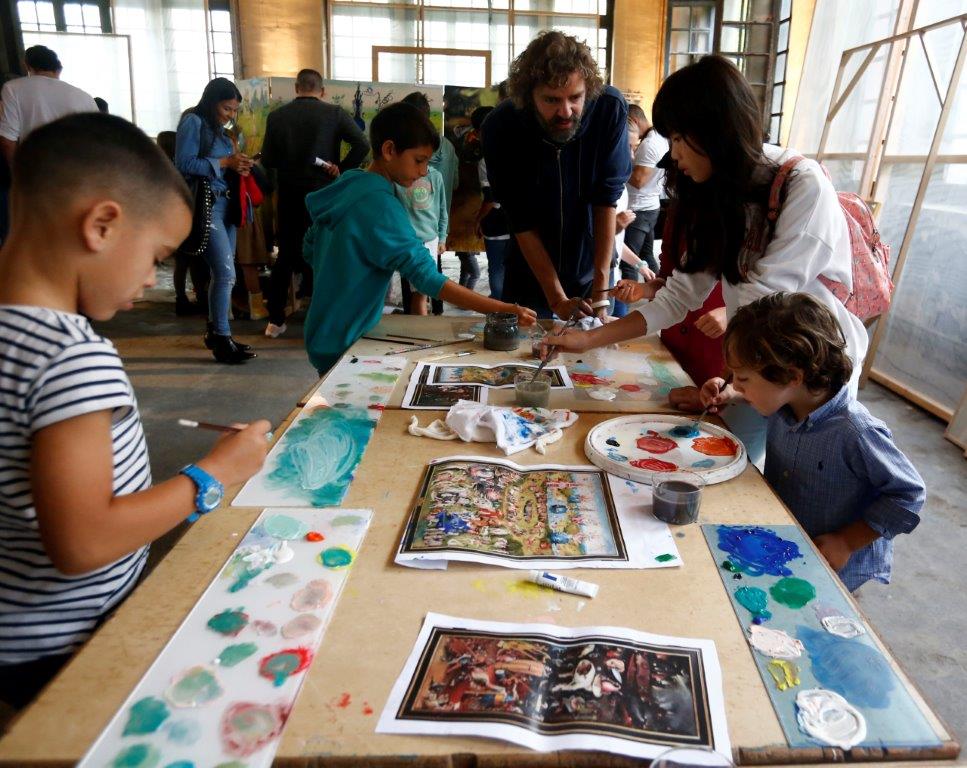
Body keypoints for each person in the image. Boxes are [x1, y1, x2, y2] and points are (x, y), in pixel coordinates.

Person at [0, 113, 271, 708]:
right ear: (101, 224)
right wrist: (213, 474)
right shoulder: (71, 355)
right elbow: (83, 541)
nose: (151, 281)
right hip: (66, 642)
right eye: (156, 256)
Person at [549, 55, 868, 395]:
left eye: (678, 138)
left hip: (815, 378)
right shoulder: (718, 192)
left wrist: (731, 386)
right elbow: (678, 297)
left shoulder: (802, 185)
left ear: (714, 130)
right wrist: (587, 339)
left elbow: (761, 306)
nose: (673, 155)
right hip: (761, 369)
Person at [700, 293, 924, 592]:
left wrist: (847, 540)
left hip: (833, 560)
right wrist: (733, 394)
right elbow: (767, 390)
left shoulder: (854, 431)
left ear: (792, 376)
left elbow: (908, 493)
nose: (735, 384)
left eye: (743, 379)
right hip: (789, 539)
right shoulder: (787, 399)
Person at [301, 102, 536, 374]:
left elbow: (310, 248)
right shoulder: (379, 204)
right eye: (419, 160)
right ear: (389, 150)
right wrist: (500, 308)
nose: (424, 171)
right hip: (348, 339)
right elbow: (427, 277)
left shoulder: (350, 183)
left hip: (323, 327)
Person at [482, 31, 632, 320]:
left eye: (575, 98)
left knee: (591, 357)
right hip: (529, 272)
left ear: (588, 89)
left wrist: (601, 294)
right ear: (528, 96)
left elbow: (606, 199)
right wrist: (556, 298)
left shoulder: (608, 110)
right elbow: (520, 218)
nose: (566, 111)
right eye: (551, 100)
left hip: (592, 268)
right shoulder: (501, 127)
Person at [260, 68, 370, 338]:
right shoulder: (333, 114)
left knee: (286, 256)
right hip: (324, 195)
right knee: (323, 254)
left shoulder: (277, 117)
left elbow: (268, 161)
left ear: (296, 88)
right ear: (322, 91)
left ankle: (275, 320)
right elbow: (362, 144)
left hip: (288, 195)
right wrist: (341, 169)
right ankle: (322, 320)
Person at [175, 77, 256, 364]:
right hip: (205, 206)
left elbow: (222, 165)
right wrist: (224, 163)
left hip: (226, 205)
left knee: (224, 273)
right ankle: (221, 337)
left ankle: (220, 333)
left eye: (234, 110)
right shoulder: (193, 122)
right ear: (211, 102)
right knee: (225, 273)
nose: (230, 115)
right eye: (226, 109)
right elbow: (182, 164)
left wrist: (240, 165)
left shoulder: (221, 131)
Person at [401, 91, 458, 315]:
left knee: (417, 286)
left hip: (425, 229)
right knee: (432, 277)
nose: (421, 169)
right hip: (431, 227)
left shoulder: (405, 149)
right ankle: (437, 313)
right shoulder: (447, 146)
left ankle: (419, 317)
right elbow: (454, 184)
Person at [0, 45, 97, 164]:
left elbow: (7, 141)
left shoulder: (13, 88)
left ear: (27, 65)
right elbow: (98, 141)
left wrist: (16, 174)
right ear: (59, 69)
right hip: (76, 170)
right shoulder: (84, 97)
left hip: (36, 169)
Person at [395, 162, 449, 314]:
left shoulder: (435, 176)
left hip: (431, 241)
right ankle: (420, 332)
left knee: (421, 293)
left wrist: (442, 238)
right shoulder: (398, 178)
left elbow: (442, 210)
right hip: (409, 242)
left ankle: (418, 330)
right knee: (418, 294)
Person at [623, 103, 667, 274]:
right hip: (648, 206)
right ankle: (659, 292)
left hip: (639, 210)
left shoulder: (650, 143)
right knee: (646, 256)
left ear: (633, 121)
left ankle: (625, 301)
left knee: (629, 264)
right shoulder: (658, 137)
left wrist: (615, 167)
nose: (632, 152)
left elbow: (639, 180)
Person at [472, 106, 509, 300]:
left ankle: (500, 310)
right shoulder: (515, 153)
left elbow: (491, 197)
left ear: (479, 132)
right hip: (519, 223)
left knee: (496, 268)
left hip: (496, 223)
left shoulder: (485, 160)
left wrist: (478, 219)